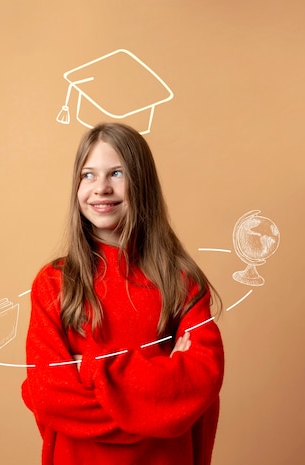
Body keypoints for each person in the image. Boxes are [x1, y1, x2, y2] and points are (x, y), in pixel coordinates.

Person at [21, 123, 224, 465]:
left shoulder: (180, 280)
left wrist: (88, 371)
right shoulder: (55, 283)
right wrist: (159, 401)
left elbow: (201, 383)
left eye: (116, 173)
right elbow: (47, 395)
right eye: (88, 175)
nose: (101, 188)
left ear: (141, 184)